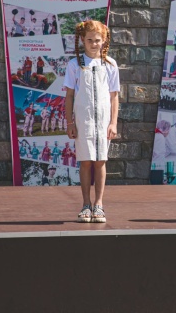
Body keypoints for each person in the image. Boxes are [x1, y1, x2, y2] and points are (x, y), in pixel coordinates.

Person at [64, 20, 120, 224]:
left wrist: (113, 123)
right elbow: (69, 95)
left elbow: (114, 96)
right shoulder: (75, 65)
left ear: (104, 40)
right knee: (85, 161)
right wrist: (70, 123)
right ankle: (86, 204)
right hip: (83, 120)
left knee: (100, 160)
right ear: (82, 40)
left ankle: (99, 204)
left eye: (97, 40)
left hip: (103, 121)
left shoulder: (110, 64)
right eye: (89, 40)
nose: (94, 44)